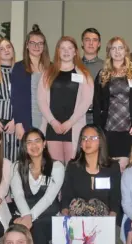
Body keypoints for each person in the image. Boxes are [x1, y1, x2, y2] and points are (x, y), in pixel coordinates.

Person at [10, 128, 65, 244]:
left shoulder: (57, 167)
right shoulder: (17, 166)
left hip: (49, 217)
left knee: (37, 228)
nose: (34, 146)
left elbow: (49, 198)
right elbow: (18, 195)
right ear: (24, 146)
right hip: (23, 214)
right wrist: (27, 216)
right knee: (17, 230)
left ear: (44, 143)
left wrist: (30, 218)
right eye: (29, 142)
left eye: (37, 141)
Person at [38, 36, 94, 164]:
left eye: (70, 48)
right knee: (55, 169)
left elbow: (86, 101)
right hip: (52, 127)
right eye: (62, 48)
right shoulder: (48, 73)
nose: (66, 51)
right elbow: (41, 100)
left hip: (74, 126)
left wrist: (70, 122)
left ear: (75, 52)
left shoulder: (84, 74)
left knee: (72, 168)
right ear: (58, 51)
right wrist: (53, 122)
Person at [92, 36, 132, 169]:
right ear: (109, 52)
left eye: (120, 48)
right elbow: (97, 102)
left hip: (129, 128)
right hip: (108, 128)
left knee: (124, 167)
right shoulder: (102, 74)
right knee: (109, 167)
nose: (117, 51)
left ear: (126, 51)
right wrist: (98, 128)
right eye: (113, 48)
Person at [60, 125, 122, 223]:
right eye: (84, 138)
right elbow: (66, 195)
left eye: (93, 138)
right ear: (80, 143)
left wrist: (111, 217)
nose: (87, 142)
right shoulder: (73, 166)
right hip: (77, 220)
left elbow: (116, 197)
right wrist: (65, 212)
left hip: (104, 220)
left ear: (101, 141)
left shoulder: (112, 167)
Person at [12, 25, 52, 139]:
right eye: (33, 42)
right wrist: (18, 123)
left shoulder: (52, 67)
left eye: (40, 43)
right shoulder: (19, 67)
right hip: (26, 119)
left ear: (44, 46)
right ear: (27, 45)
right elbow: (16, 97)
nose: (36, 46)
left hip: (48, 120)